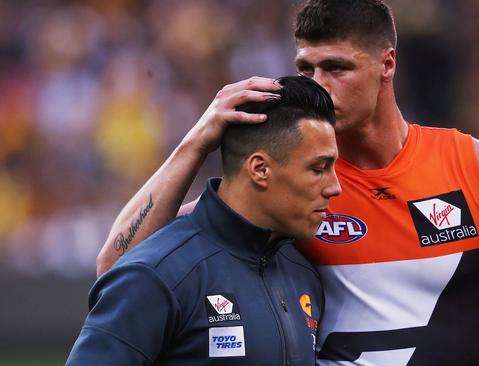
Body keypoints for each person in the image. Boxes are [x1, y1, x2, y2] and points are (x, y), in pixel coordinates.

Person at [95, 1, 479, 364]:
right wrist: (197, 141)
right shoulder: (292, 186)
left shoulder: (478, 168)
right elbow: (122, 268)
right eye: (305, 68)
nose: (317, 84)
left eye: (336, 67)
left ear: (387, 64)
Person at [66, 75, 341, 365]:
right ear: (259, 169)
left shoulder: (302, 272)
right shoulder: (158, 275)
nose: (335, 186)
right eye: (318, 168)